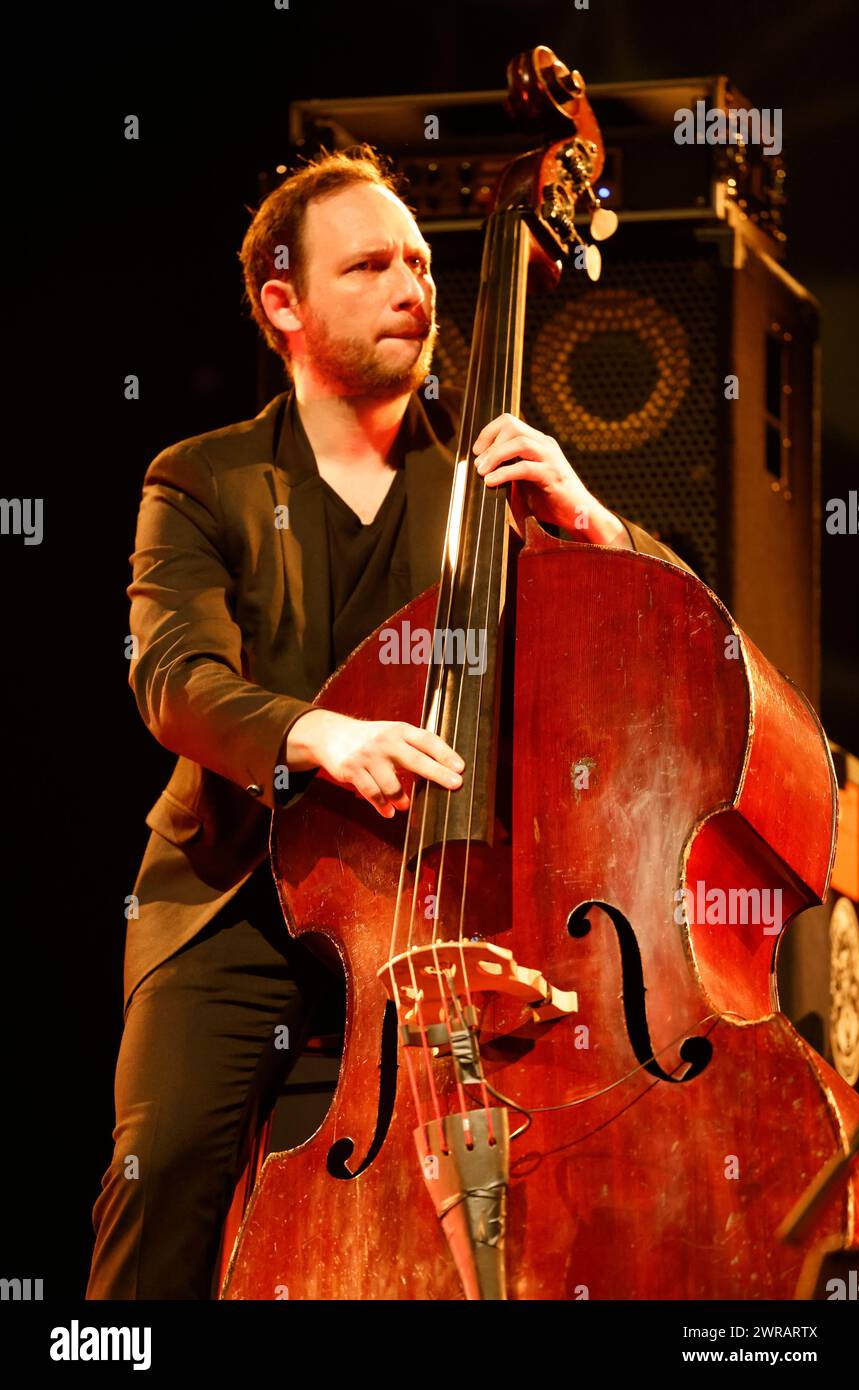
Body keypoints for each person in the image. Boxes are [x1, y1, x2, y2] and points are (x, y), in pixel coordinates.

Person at [86, 143, 694, 1300]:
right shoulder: (202, 479)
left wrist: (594, 524)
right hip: (242, 895)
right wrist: (323, 735)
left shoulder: (491, 481)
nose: (413, 285)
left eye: (420, 261)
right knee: (159, 1167)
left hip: (454, 895)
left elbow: (679, 632)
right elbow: (170, 676)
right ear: (283, 303)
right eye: (369, 265)